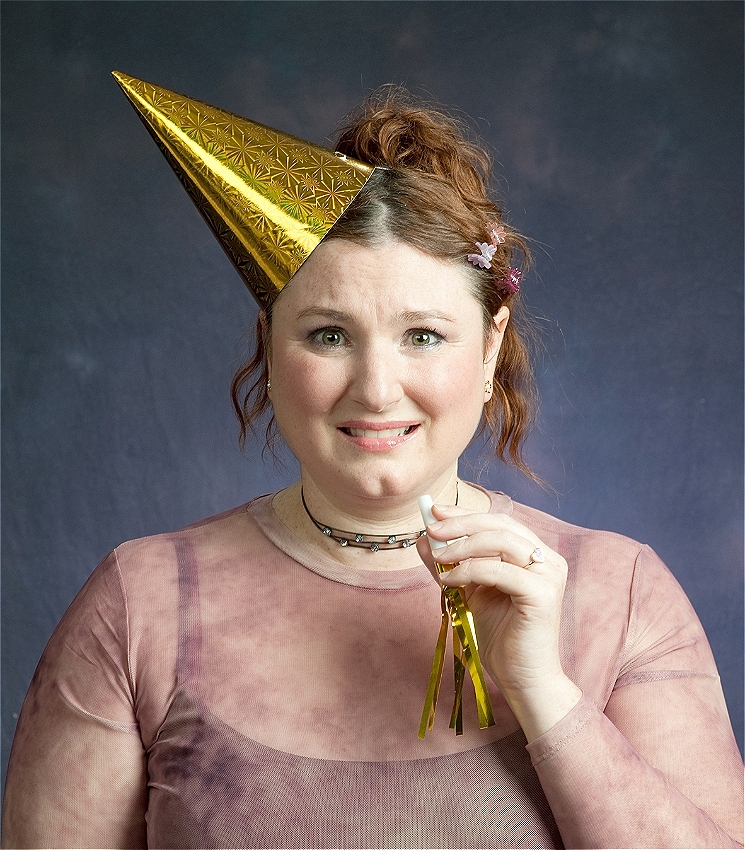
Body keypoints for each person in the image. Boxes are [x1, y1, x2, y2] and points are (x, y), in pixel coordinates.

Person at [3, 76, 743, 850]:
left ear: (488, 346)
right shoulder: (139, 604)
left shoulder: (623, 594)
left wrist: (544, 695)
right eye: (328, 334)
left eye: (422, 335)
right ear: (269, 344)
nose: (377, 387)